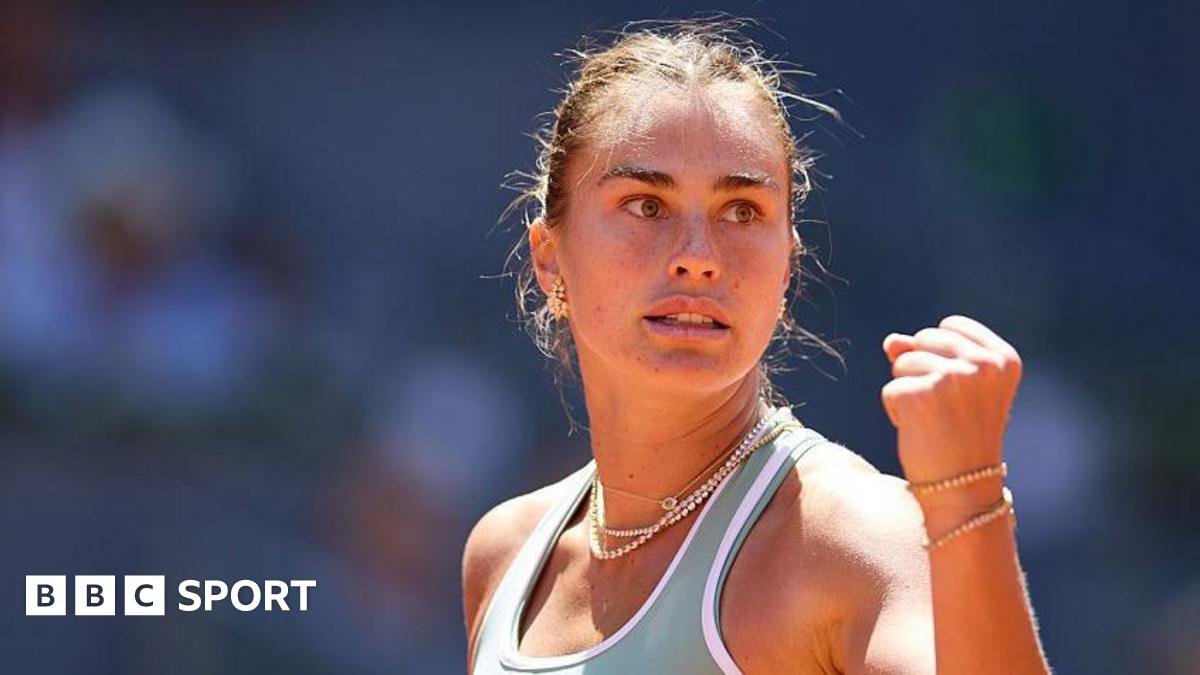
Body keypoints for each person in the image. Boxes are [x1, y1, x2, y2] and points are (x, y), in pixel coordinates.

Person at [462, 20, 1050, 674]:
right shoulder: (505, 554)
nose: (698, 258)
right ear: (550, 260)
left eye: (742, 211)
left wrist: (969, 505)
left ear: (787, 265)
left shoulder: (851, 532)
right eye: (646, 205)